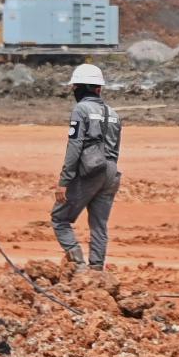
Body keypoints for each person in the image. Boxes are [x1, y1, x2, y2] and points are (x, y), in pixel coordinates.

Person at [50, 63, 123, 270]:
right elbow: (115, 149)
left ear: (81, 88)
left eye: (75, 87)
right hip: (111, 173)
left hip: (91, 172)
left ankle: (80, 268)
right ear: (98, 88)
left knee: (59, 219)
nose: (73, 91)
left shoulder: (81, 109)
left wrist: (64, 181)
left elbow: (75, 146)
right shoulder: (114, 113)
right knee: (99, 226)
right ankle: (97, 272)